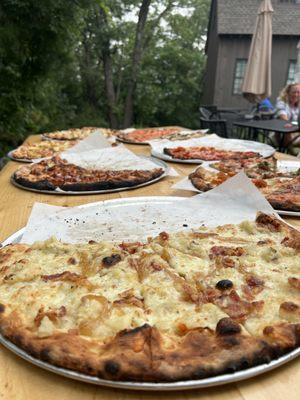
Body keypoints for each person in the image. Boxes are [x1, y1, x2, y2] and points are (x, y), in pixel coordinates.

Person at [275, 83, 300, 153]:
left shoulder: (298, 105)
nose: (296, 95)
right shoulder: (281, 101)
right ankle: (293, 155)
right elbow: (282, 115)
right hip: (279, 134)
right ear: (288, 92)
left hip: (294, 132)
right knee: (287, 130)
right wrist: (290, 124)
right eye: (294, 92)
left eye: (298, 92)